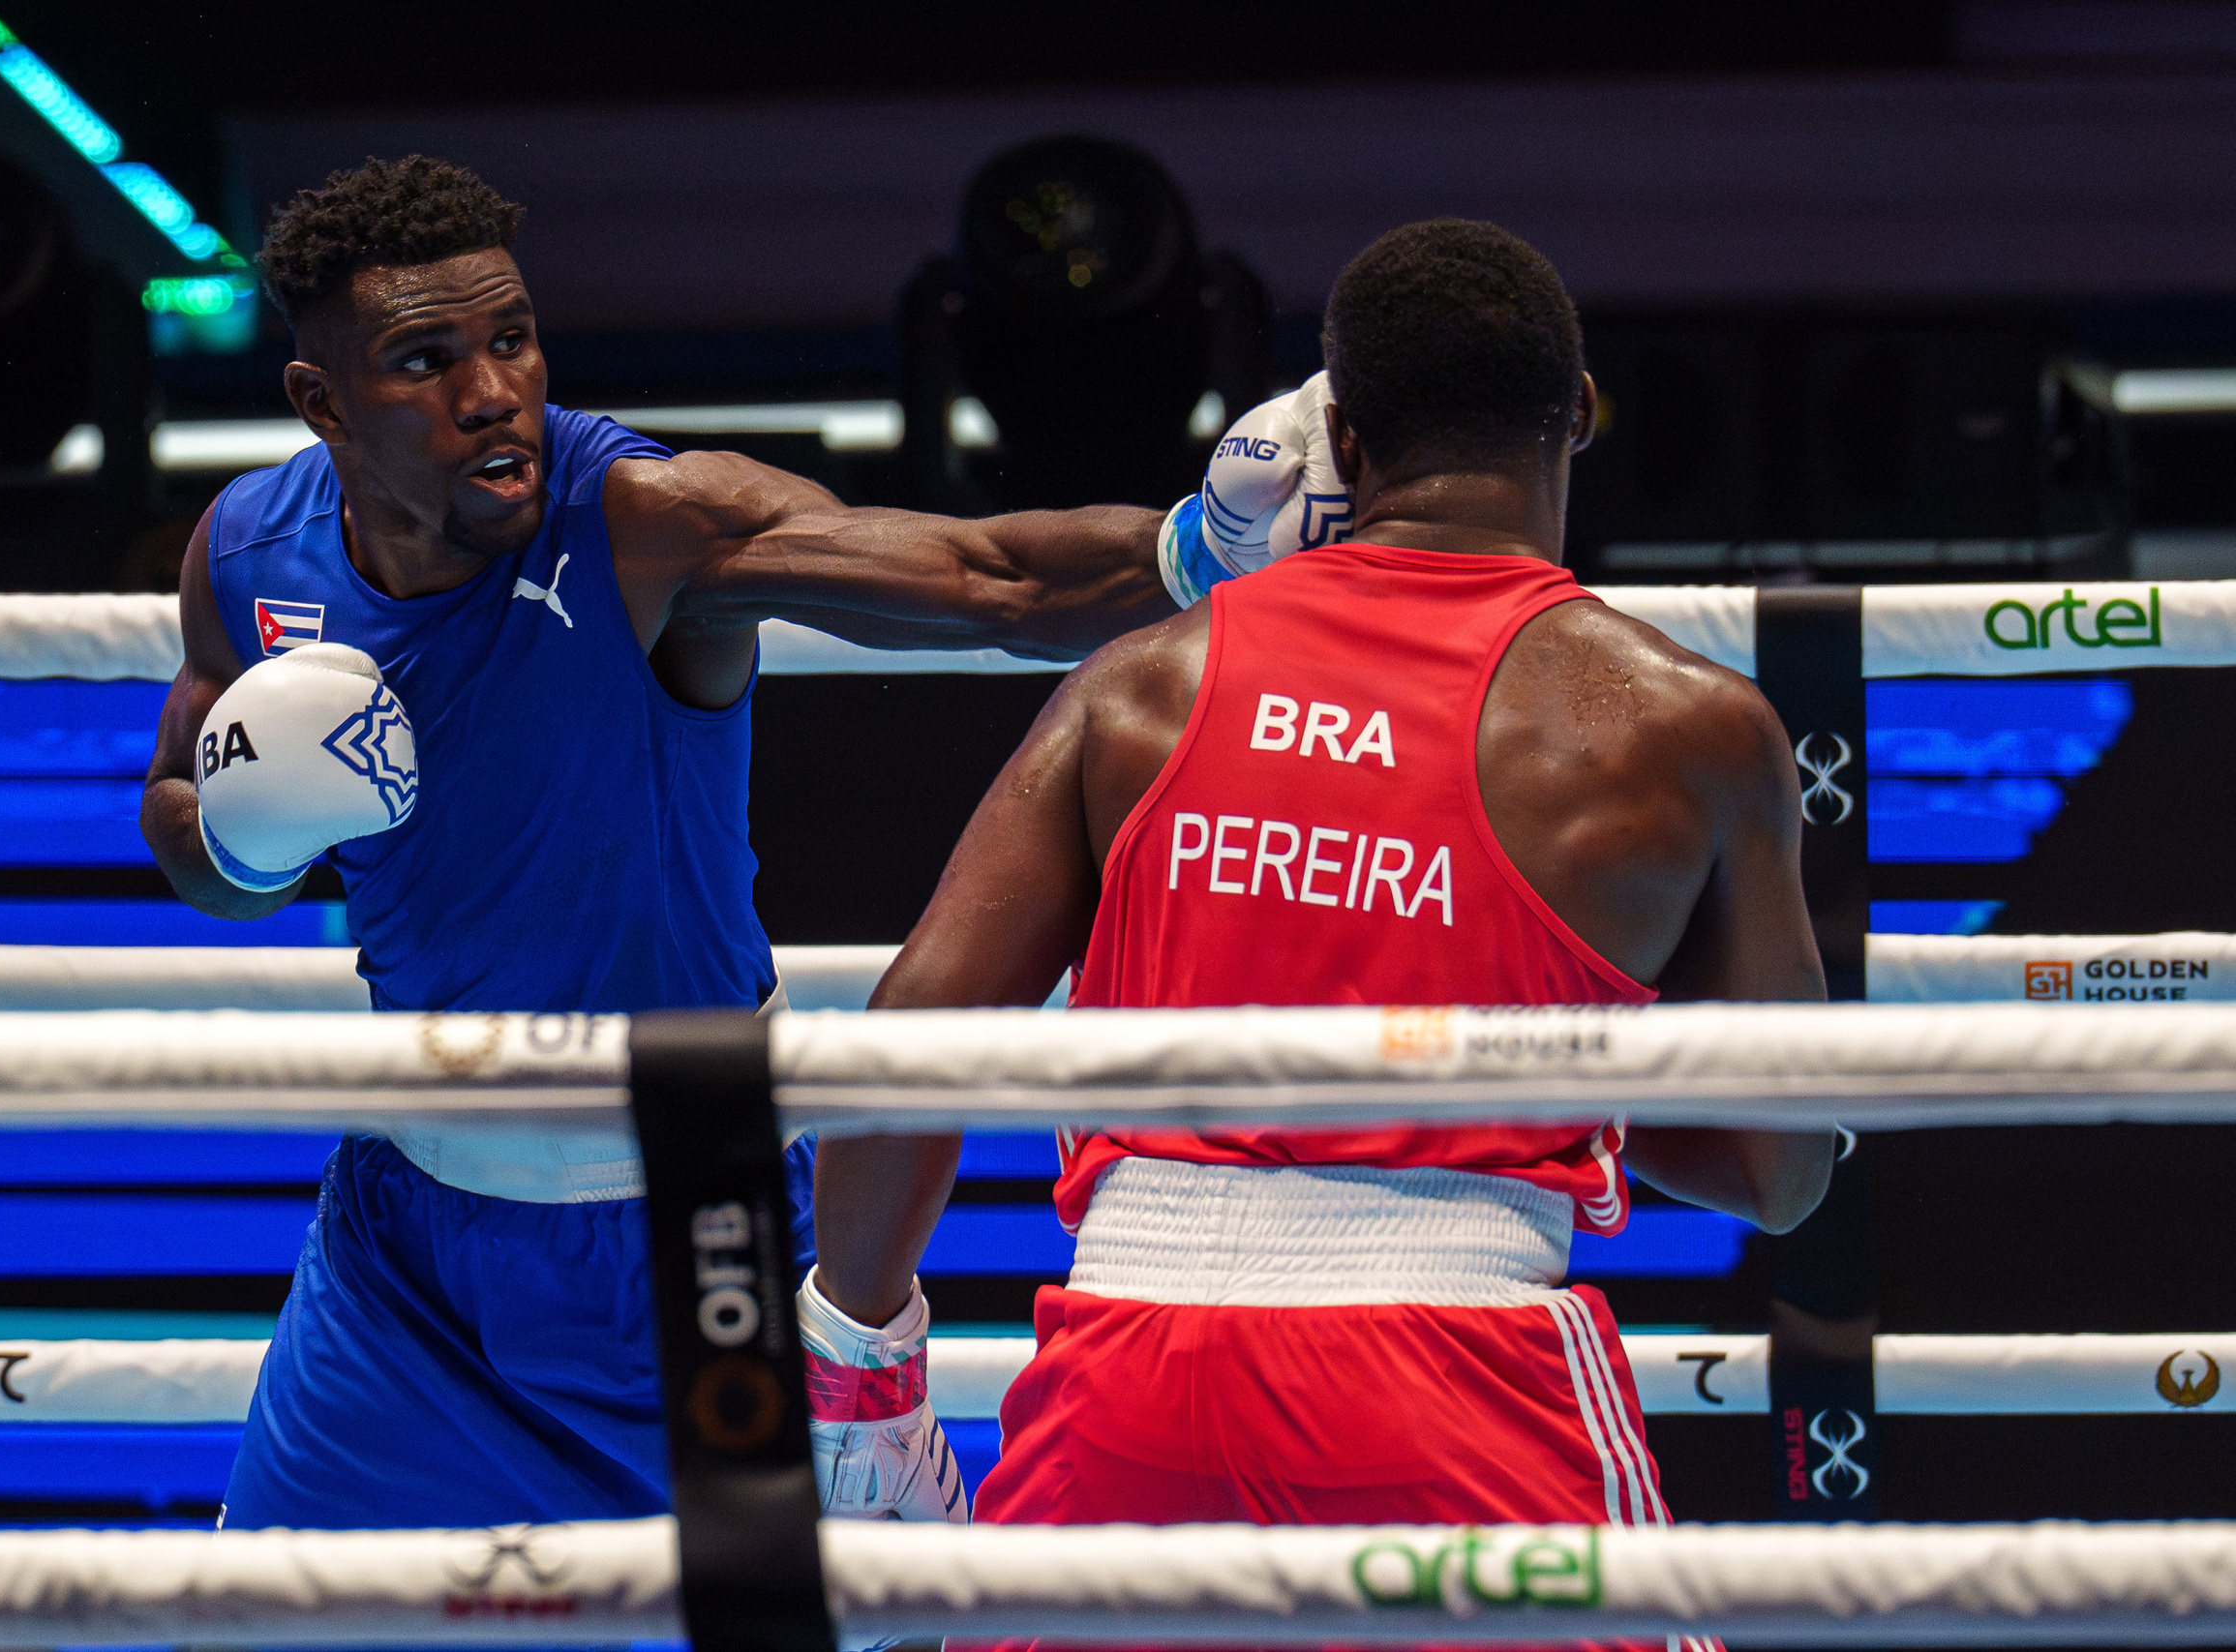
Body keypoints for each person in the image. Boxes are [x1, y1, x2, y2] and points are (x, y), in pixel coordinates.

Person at [137, 155, 1173, 1530]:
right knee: (266, 1625)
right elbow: (178, 826)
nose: (493, 389)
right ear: (322, 403)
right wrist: (246, 834)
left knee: (844, 1625)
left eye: (510, 337)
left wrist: (1215, 548)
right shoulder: (252, 551)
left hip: (693, 1224)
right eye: (425, 359)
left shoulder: (639, 524)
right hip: (409, 1245)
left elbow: (992, 577)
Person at [812, 219, 1836, 1537]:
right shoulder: (1683, 726)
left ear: (1338, 438)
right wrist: (1513, 1063)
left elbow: (916, 1038)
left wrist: (866, 1378)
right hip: (1459, 1382)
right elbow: (1781, 1164)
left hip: (1126, 1378)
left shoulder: (1140, 685)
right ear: (1576, 414)